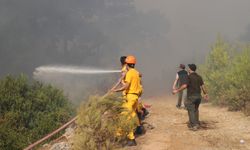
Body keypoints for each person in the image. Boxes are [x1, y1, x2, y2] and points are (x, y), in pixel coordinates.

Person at [112, 55, 142, 146]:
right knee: (132, 114)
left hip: (130, 97)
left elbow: (126, 86)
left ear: (127, 64)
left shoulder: (129, 73)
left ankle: (126, 137)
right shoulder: (136, 72)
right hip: (135, 97)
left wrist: (116, 90)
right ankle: (139, 128)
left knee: (124, 116)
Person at [172, 64, 208, 131]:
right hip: (198, 97)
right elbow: (203, 86)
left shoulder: (188, 77)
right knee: (196, 109)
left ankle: (194, 125)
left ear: (190, 69)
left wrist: (176, 90)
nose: (188, 69)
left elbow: (185, 86)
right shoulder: (199, 77)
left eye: (189, 68)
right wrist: (205, 94)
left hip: (192, 96)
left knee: (190, 110)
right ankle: (197, 123)